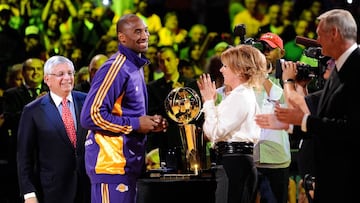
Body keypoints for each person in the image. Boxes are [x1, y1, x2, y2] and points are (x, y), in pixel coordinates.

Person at [257, 9, 360, 203]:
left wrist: (303, 119)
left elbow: (351, 130)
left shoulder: (356, 66)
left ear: (335, 33)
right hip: (333, 178)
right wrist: (289, 125)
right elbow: (323, 117)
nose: (317, 40)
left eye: (319, 34)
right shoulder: (339, 67)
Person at [80, 14, 167, 203]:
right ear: (122, 37)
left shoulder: (134, 67)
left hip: (128, 167)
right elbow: (90, 115)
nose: (145, 35)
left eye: (146, 30)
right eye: (137, 31)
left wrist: (149, 123)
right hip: (111, 167)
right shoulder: (115, 67)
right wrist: (136, 124)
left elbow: (128, 114)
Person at [197, 44, 267, 203]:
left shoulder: (240, 96)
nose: (221, 70)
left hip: (234, 165)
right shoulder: (241, 95)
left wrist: (208, 102)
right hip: (236, 163)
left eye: (225, 66)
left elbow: (213, 132)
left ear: (239, 70)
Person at [17, 55, 90, 203]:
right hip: (52, 192)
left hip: (87, 188)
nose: (67, 78)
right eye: (60, 74)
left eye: (70, 73)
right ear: (47, 79)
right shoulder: (33, 111)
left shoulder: (87, 101)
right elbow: (24, 157)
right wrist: (28, 193)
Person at [146, 46, 201, 171]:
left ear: (176, 60)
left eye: (169, 59)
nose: (165, 64)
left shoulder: (191, 85)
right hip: (163, 143)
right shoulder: (152, 88)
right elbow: (152, 114)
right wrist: (172, 97)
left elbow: (197, 114)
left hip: (187, 143)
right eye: (161, 61)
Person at [2, 58, 48, 203]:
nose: (35, 72)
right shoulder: (12, 94)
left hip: (47, 155)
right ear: (23, 73)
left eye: (39, 69)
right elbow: (10, 119)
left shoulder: (52, 91)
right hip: (22, 154)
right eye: (31, 69)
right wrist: (36, 104)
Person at [254, 32, 291, 203]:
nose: (265, 51)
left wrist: (263, 77)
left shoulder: (289, 75)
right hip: (252, 157)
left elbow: (285, 102)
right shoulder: (250, 77)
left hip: (276, 158)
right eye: (263, 47)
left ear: (281, 53)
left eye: (270, 48)